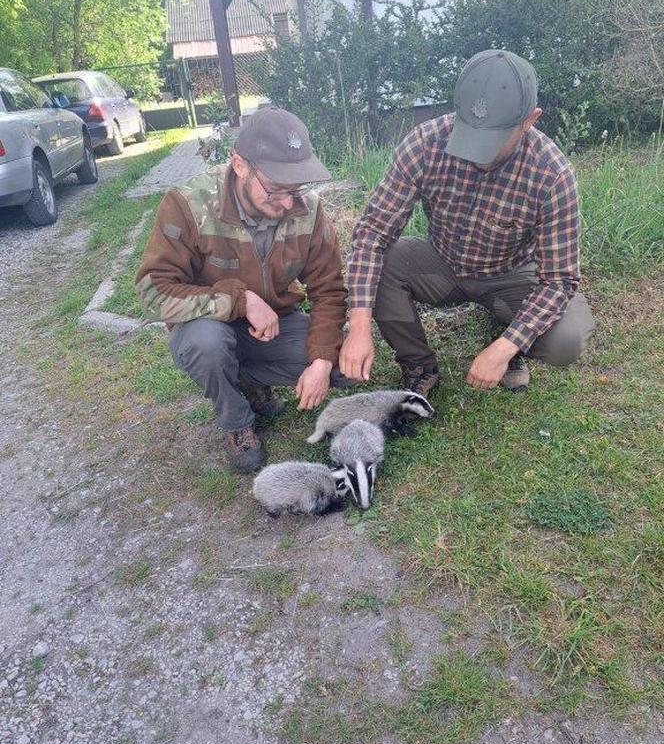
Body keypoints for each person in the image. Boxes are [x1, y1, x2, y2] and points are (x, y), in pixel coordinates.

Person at [340, 49, 595, 396]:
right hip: (442, 262)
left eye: (493, 139)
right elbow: (372, 234)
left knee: (568, 338)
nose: (479, 154)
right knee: (385, 260)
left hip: (510, 273)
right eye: (471, 134)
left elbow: (559, 281)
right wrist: (358, 326)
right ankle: (418, 365)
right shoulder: (424, 144)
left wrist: (506, 347)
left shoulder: (552, 174)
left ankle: (510, 342)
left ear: (529, 120)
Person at [135, 106, 351, 473]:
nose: (287, 204)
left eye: (295, 189)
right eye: (276, 190)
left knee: (344, 359)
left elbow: (329, 290)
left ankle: (246, 380)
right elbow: (153, 293)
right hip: (208, 326)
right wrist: (239, 300)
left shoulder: (307, 211)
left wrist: (321, 361)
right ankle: (238, 422)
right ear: (240, 165)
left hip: (275, 327)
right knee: (207, 345)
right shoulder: (187, 204)